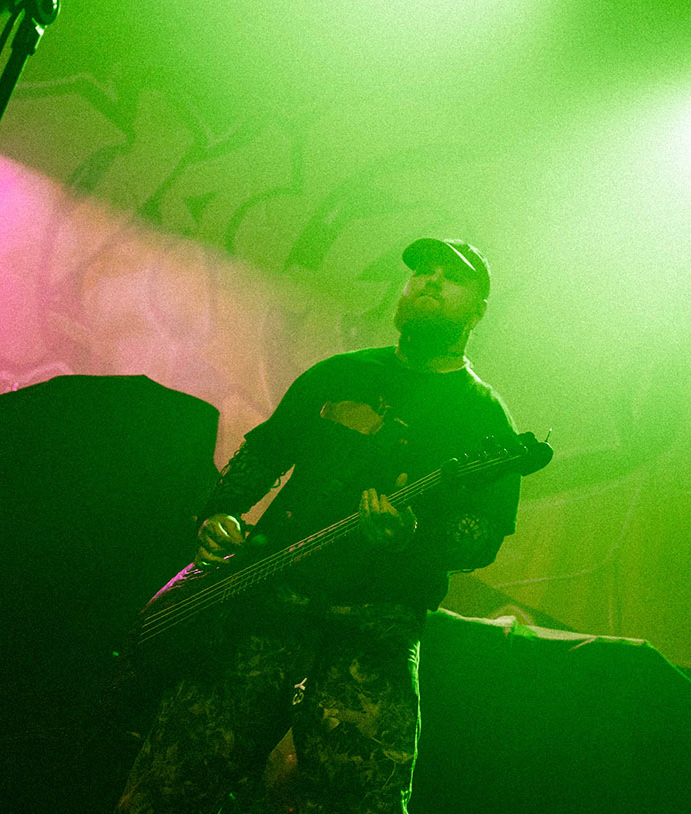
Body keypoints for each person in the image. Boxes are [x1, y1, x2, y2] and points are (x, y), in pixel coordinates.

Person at [118, 238, 522, 814]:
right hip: (267, 599)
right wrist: (220, 512)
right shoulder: (341, 373)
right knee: (175, 775)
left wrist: (412, 538)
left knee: (360, 799)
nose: (430, 280)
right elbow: (266, 451)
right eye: (421, 271)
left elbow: (479, 537)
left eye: (450, 277)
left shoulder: (484, 417)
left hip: (374, 628)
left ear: (477, 312)